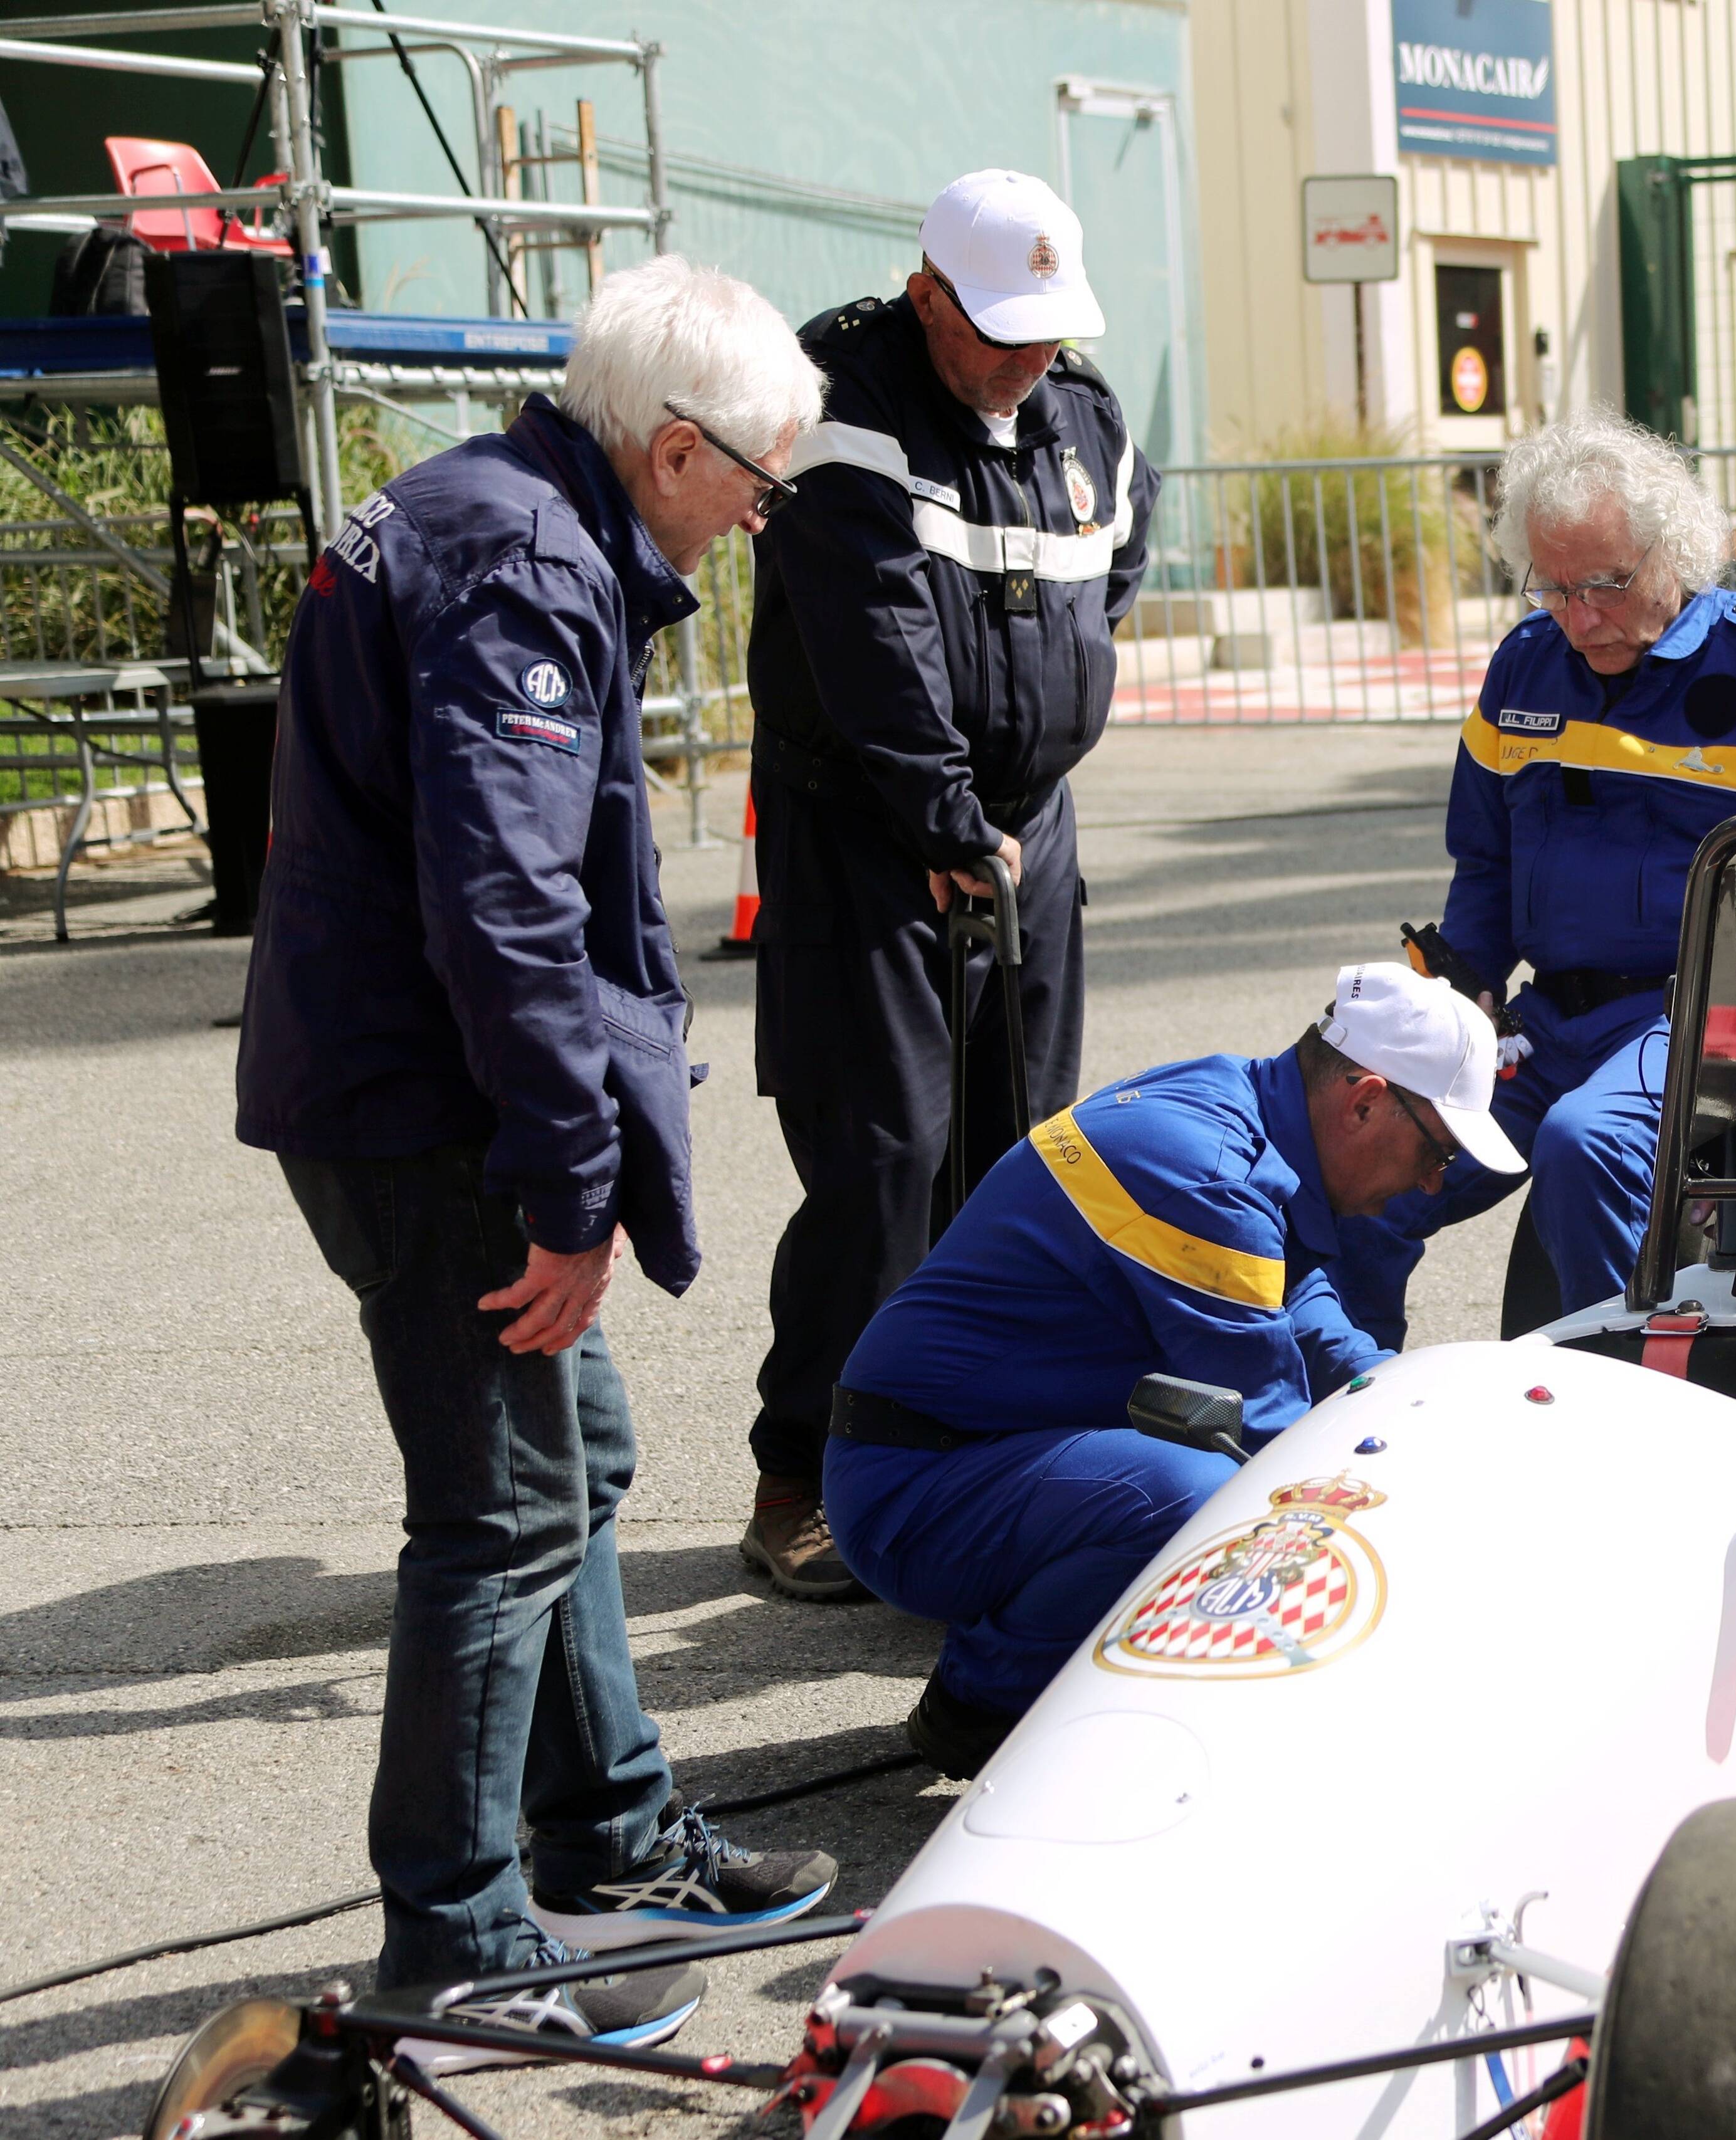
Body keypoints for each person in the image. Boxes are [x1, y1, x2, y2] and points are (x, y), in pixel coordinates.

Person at [236, 256, 838, 2053]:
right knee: (499, 1514)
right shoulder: (525, 562)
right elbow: (508, 916)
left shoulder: (489, 508)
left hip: (412, 1090)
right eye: (760, 481)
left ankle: (609, 1832)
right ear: (675, 449)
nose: (758, 520)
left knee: (575, 1456)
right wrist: (574, 1191)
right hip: (436, 1118)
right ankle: (457, 1942)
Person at [740, 169, 1160, 1602]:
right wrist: (942, 815)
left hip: (1025, 833)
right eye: (1000, 330)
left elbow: (1111, 575)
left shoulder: (1082, 413)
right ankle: (804, 1474)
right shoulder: (841, 402)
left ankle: (967, 1451)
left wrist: (1036, 738)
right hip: (866, 829)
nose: (1031, 359)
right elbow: (870, 642)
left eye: (1051, 331)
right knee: (881, 1164)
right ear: (925, 296)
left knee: (1020, 1158)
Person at [826, 963, 1523, 1777]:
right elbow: (1277, 1444)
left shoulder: (1238, 1102)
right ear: (1365, 1100)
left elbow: (1306, 1313)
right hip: (910, 1489)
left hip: (978, 1448)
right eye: (1438, 1151)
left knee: (1210, 1487)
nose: (1434, 1182)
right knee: (1202, 1497)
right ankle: (981, 1706)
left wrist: (1423, 1403)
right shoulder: (1205, 1176)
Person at [1332, 410, 1736, 1346]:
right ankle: (1349, 1391)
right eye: (1554, 588)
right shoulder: (1525, 664)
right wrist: (1463, 999)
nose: (1580, 618)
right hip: (1543, 1025)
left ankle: (1625, 1395)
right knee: (1362, 1163)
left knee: (1581, 1146)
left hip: (1699, 1024)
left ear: (1677, 551)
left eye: (1606, 586)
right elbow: (1486, 864)